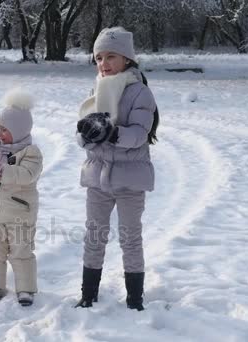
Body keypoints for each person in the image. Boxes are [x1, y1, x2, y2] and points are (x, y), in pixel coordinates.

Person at [75, 27, 160, 311]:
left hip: (130, 181)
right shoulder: (97, 89)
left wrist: (111, 133)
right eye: (99, 57)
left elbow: (138, 135)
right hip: (98, 178)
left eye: (111, 56)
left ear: (127, 58)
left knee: (130, 239)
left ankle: (135, 299)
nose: (104, 63)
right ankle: (88, 295)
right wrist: (86, 135)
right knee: (94, 237)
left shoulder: (140, 93)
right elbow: (86, 134)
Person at [0, 89, 43, 307]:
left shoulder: (31, 153)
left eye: (4, 130)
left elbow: (27, 175)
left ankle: (25, 289)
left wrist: (2, 169)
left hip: (20, 213)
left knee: (21, 250)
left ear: (19, 130)